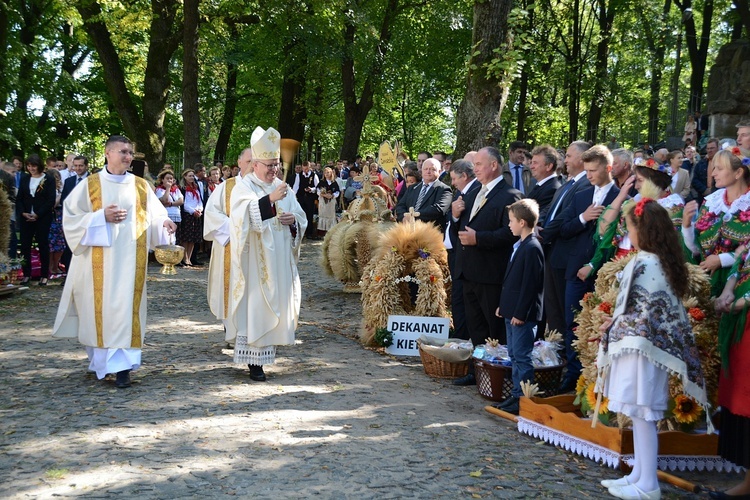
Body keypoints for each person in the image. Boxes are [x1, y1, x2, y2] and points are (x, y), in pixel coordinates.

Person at [598, 198, 708, 500]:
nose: (628, 234)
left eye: (630, 227)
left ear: (643, 230)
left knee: (644, 413)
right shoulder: (654, 260)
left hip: (642, 350)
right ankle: (639, 475)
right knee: (638, 413)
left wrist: (615, 325)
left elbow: (646, 314)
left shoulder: (648, 263)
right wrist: (615, 322)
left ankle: (649, 484)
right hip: (638, 346)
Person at [52, 135, 176, 388]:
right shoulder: (90, 185)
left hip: (132, 261)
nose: (128, 157)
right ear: (108, 153)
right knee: (100, 312)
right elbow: (72, 218)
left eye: (130, 152)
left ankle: (123, 369)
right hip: (97, 264)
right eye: (123, 152)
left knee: (125, 311)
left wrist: (163, 222)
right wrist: (100, 216)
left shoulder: (141, 185)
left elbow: (155, 215)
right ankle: (101, 364)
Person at [227, 127, 307, 382]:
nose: (274, 170)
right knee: (256, 307)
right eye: (270, 165)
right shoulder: (244, 186)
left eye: (276, 165)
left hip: (279, 259)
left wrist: (293, 220)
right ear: (255, 165)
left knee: (273, 305)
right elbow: (239, 218)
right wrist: (269, 201)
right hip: (255, 262)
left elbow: (301, 216)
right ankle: (254, 361)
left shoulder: (283, 187)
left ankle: (266, 353)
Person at [451, 147, 522, 386]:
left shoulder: (510, 195)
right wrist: (454, 215)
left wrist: (479, 238)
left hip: (491, 273)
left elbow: (511, 234)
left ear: (493, 165)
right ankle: (477, 369)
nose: (475, 169)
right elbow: (462, 226)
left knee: (494, 328)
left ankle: (497, 374)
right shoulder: (473, 193)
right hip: (468, 271)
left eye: (479, 164)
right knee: (476, 326)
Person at [557, 144, 620, 392]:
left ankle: (597, 379)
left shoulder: (620, 196)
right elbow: (563, 228)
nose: (590, 175)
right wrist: (584, 217)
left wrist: (594, 265)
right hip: (575, 270)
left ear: (608, 168)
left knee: (600, 324)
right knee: (571, 322)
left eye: (594, 170)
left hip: (604, 272)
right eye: (587, 170)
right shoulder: (582, 194)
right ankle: (573, 375)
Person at [493, 198, 544, 415]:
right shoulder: (521, 245)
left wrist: (520, 313)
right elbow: (513, 281)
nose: (509, 225)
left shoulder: (532, 247)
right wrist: (504, 306)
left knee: (522, 357)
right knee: (513, 354)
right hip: (512, 310)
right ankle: (516, 394)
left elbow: (530, 285)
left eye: (512, 221)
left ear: (522, 222)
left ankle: (523, 397)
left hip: (521, 314)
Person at [683, 148, 750, 296]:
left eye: (719, 169)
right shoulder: (712, 202)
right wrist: (687, 226)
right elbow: (696, 250)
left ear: (738, 173)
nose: (713, 174)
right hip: (708, 285)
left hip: (739, 287)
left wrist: (722, 260)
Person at [713, 239, 750, 499]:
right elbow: (739, 267)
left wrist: (740, 302)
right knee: (741, 394)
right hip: (742, 326)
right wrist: (728, 291)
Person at [204, 149, 247, 338]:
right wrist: (237, 227)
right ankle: (231, 330)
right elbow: (212, 214)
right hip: (230, 245)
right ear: (239, 163)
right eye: (249, 161)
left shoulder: (271, 187)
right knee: (230, 290)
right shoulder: (227, 187)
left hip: (257, 252)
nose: (254, 165)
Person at [444, 159, 480, 341]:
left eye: (454, 178)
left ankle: (463, 342)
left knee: (463, 305)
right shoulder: (462, 193)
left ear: (464, 176)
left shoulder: (475, 192)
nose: (452, 183)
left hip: (466, 259)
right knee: (458, 304)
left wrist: (456, 216)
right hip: (457, 257)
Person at [17, 154, 57, 286]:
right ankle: (26, 274)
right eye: (28, 166)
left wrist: (38, 214)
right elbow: (20, 198)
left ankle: (44, 275)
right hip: (26, 217)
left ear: (39, 165)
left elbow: (50, 199)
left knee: (43, 245)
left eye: (33, 166)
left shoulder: (49, 179)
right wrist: (24, 212)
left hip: (42, 217)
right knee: (25, 245)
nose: (31, 168)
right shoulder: (24, 178)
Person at [395, 158, 452, 230]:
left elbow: (438, 209)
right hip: (408, 230)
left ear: (439, 171)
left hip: (430, 233)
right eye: (425, 169)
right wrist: (403, 217)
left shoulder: (444, 189)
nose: (428, 172)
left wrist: (413, 216)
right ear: (421, 171)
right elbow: (400, 205)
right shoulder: (412, 188)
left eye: (432, 169)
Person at [526, 144, 562, 226]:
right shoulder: (541, 185)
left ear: (549, 166)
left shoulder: (552, 189)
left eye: (535, 163)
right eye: (531, 162)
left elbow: (536, 219)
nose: (531, 166)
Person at [179, 168, 203, 266]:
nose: (192, 177)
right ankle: (185, 258)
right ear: (185, 177)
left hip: (196, 215)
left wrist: (200, 210)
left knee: (193, 238)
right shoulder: (183, 189)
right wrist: (193, 211)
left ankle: (189, 258)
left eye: (193, 176)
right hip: (187, 215)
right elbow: (184, 203)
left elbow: (199, 201)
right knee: (186, 238)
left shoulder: (196, 188)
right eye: (189, 176)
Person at [47, 168, 66, 278]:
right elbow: (52, 204)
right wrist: (60, 195)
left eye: (58, 178)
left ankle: (56, 265)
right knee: (51, 244)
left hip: (61, 217)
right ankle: (50, 266)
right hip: (51, 217)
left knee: (60, 244)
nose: (57, 180)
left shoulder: (61, 189)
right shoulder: (49, 190)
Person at [293, 161, 319, 240]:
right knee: (301, 214)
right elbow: (296, 187)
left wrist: (311, 189)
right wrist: (293, 196)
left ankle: (309, 233)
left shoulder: (314, 175)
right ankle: (301, 232)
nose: (305, 171)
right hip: (301, 198)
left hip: (310, 198)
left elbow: (317, 186)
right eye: (304, 169)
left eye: (307, 169)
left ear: (309, 167)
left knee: (309, 215)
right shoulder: (299, 175)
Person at [316, 166, 340, 237]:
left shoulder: (334, 182)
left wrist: (332, 196)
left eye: (328, 172)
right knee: (323, 215)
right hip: (323, 202)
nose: (326, 174)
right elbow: (317, 190)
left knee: (331, 215)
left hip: (331, 202)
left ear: (331, 173)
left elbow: (337, 192)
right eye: (325, 172)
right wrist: (323, 195)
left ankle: (331, 231)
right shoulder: (321, 182)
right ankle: (322, 232)